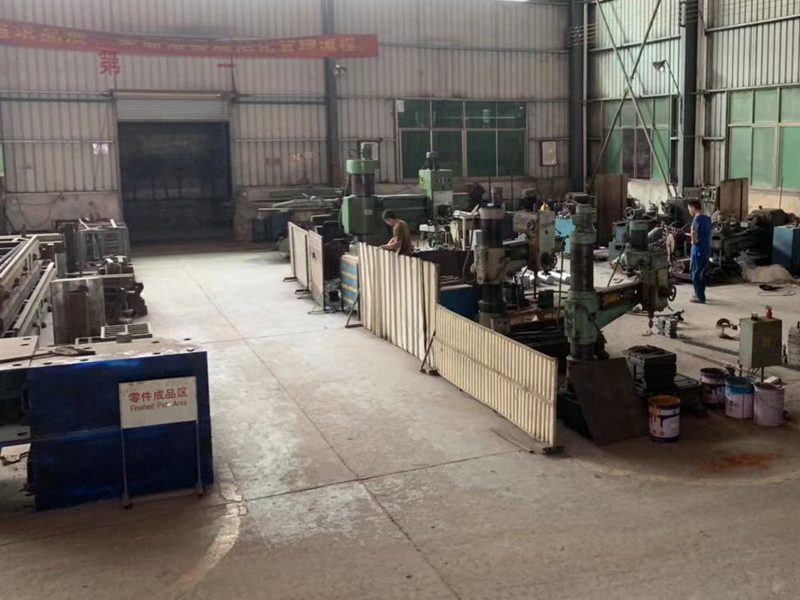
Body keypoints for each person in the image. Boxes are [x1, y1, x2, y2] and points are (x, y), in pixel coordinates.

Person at [688, 200, 712, 304]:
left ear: (693, 208)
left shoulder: (696, 219)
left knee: (695, 272)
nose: (689, 211)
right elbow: (710, 232)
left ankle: (700, 297)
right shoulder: (707, 218)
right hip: (706, 249)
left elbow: (693, 231)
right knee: (702, 272)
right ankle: (700, 293)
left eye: (689, 209)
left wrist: (693, 240)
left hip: (697, 250)